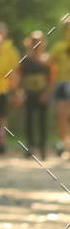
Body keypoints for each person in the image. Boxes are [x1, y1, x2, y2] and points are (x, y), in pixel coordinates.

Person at [18, 31, 54, 160]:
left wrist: (46, 93)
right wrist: (20, 92)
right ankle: (30, 146)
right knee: (29, 120)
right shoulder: (25, 59)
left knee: (42, 121)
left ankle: (43, 148)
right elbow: (20, 76)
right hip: (28, 92)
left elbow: (51, 78)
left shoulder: (47, 59)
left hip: (42, 92)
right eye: (33, 41)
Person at [49, 14, 70, 156]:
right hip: (63, 83)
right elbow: (50, 65)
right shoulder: (58, 47)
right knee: (61, 115)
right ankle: (66, 145)